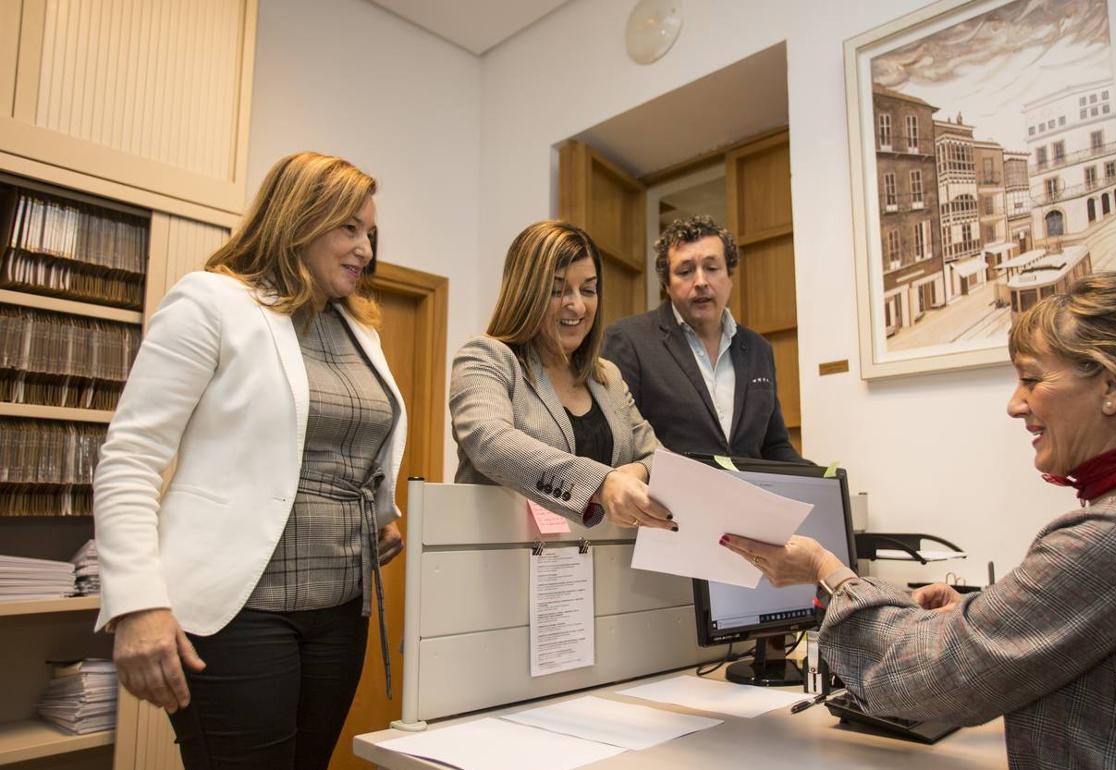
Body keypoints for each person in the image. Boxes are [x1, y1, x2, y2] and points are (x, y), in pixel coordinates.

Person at [721, 272, 1116, 768]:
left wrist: (826, 570)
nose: (1015, 405)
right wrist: (976, 613)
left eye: (1032, 380)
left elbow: (927, 679)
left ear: (1115, 385)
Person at [93, 152, 408, 769]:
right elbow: (130, 459)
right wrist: (136, 602)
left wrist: (379, 512)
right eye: (348, 228)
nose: (365, 249)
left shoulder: (357, 330)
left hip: (341, 610)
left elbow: (345, 446)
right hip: (239, 610)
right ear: (298, 218)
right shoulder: (212, 302)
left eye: (369, 233)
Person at [450, 220, 673, 530]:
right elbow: (490, 443)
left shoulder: (607, 375)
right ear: (525, 293)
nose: (577, 305)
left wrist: (634, 473)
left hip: (598, 569)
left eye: (588, 289)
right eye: (557, 290)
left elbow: (659, 458)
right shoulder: (485, 358)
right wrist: (601, 482)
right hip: (501, 566)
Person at [603, 215, 803, 462]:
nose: (700, 282)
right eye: (685, 272)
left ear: (730, 277)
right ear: (667, 284)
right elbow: (619, 441)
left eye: (711, 268)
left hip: (746, 498)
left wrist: (822, 482)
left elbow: (775, 445)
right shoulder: (628, 340)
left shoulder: (758, 349)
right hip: (667, 497)